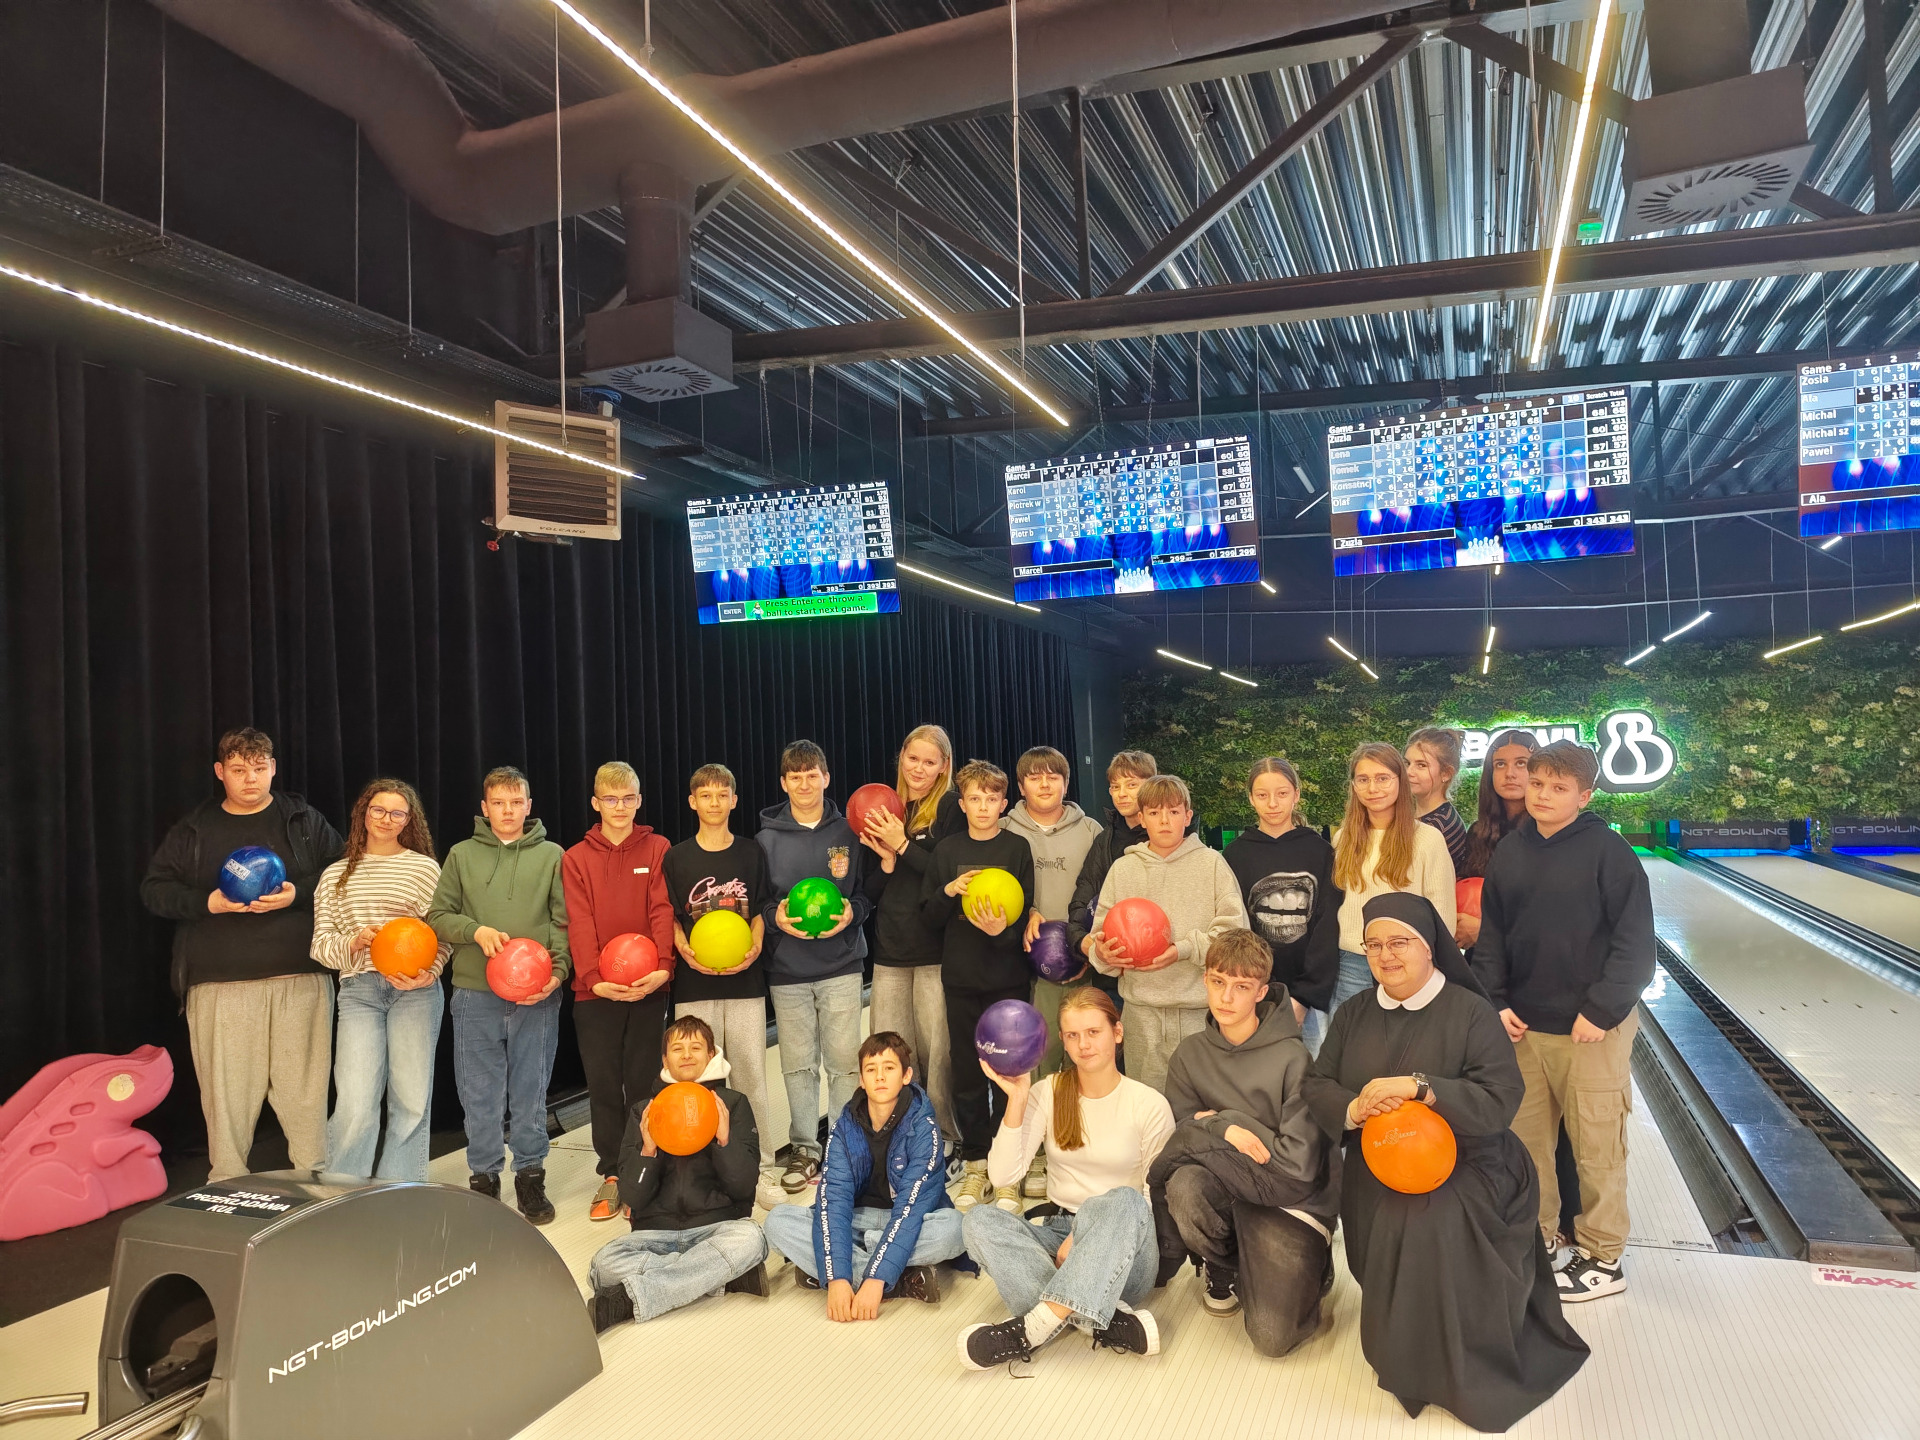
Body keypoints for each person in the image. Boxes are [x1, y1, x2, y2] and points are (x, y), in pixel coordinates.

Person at [1301, 894, 1589, 1432]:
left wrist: (1424, 1088)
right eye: (1374, 945)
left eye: (1399, 942)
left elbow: (1500, 1099)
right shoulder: (1355, 1013)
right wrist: (1353, 1109)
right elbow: (1317, 1083)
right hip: (1381, 1161)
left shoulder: (1470, 1012)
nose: (1386, 955)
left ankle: (1453, 1369)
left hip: (1472, 1160)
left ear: (1430, 946)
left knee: (1423, 1220)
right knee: (1385, 1209)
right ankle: (1403, 1358)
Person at [1474, 740, 1655, 1303]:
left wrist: (1600, 1011)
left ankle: (1603, 1256)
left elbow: (1635, 945)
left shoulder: (1609, 852)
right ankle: (1541, 1240)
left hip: (1590, 1030)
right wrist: (1495, 999)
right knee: (1528, 1148)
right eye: (1536, 784)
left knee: (1597, 1149)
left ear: (1585, 795)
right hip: (1525, 1029)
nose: (1543, 795)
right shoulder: (1511, 851)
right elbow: (1493, 935)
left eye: (1558, 788)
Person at [140, 728, 344, 1182]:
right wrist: (207, 902)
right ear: (220, 772)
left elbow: (344, 871)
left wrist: (297, 894)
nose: (250, 778)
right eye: (238, 769)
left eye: (259, 768)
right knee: (227, 1095)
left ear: (273, 768)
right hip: (220, 983)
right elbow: (154, 889)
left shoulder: (302, 819)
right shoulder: (194, 828)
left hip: (298, 977)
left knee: (305, 1092)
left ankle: (315, 1181)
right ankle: (227, 1182)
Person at [959, 987, 1174, 1369]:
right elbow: (1004, 1174)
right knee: (978, 1221)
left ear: (1117, 1032)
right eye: (1073, 1035)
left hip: (1125, 1247)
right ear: (1061, 1039)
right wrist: (1017, 1099)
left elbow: (1150, 1200)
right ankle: (1095, 1318)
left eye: (1093, 1032)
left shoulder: (1149, 1104)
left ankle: (1032, 1328)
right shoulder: (1048, 1092)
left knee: (1125, 1198)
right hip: (1058, 1231)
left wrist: (1086, 1236)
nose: (1083, 1044)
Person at [1151, 928, 1339, 1357]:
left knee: (1273, 1339)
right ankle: (1225, 1263)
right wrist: (1223, 1130)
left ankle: (1312, 1263)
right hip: (1226, 1186)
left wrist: (1224, 1121)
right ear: (1205, 979)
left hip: (1287, 1200)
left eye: (1241, 986)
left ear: (1261, 992)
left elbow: (1295, 1166)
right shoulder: (1189, 1056)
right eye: (1218, 981)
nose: (1226, 997)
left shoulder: (1294, 1058)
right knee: (1185, 1186)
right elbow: (1181, 1137)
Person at [427, 765, 570, 1224]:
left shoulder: (552, 855)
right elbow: (438, 916)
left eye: (516, 802)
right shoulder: (461, 855)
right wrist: (475, 930)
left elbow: (563, 921)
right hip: (475, 994)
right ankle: (484, 1178)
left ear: (529, 806)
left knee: (531, 1090)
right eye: (498, 803)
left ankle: (530, 1176)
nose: (507, 811)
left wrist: (558, 972)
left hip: (537, 995)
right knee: (479, 1093)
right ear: (484, 808)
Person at [585, 1016, 770, 1330]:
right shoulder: (643, 1110)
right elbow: (633, 1197)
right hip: (653, 1235)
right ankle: (722, 1277)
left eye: (696, 1048)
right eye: (677, 1049)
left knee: (751, 1238)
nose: (686, 1055)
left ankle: (629, 1300)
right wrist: (648, 1151)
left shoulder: (733, 1104)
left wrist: (724, 1141)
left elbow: (742, 1187)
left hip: (716, 1229)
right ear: (664, 1060)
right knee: (602, 1266)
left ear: (710, 1055)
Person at [764, 1031, 965, 1315]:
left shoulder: (924, 1128)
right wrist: (838, 1280)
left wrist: (870, 1278)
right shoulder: (844, 1127)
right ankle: (900, 1280)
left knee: (955, 1229)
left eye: (889, 1068)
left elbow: (911, 1210)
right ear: (861, 1079)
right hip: (857, 1220)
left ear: (906, 1076)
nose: (879, 1077)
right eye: (871, 1070)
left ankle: (845, 1268)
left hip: (909, 1219)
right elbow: (834, 1202)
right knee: (777, 1222)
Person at [312, 778, 448, 1182]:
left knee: (411, 1102)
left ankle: (399, 1192)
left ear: (409, 820)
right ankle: (342, 1193)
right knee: (355, 1104)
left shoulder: (424, 869)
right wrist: (354, 942)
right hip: (360, 991)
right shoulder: (335, 875)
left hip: (415, 992)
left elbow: (442, 934)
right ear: (363, 813)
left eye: (397, 813)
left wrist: (431, 971)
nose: (386, 819)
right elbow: (320, 945)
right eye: (379, 810)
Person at [757, 740, 872, 1195]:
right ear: (784, 783)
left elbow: (867, 893)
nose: (804, 784)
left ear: (826, 777)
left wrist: (852, 913)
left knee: (844, 1064)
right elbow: (760, 904)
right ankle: (805, 1148)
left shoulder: (850, 831)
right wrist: (776, 919)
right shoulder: (765, 840)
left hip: (842, 964)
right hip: (788, 969)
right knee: (798, 1065)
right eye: (795, 777)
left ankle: (842, 1145)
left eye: (812, 775)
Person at [564, 761, 677, 1223]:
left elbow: (662, 910)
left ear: (639, 801)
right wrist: (594, 977)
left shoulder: (658, 848)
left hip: (649, 987)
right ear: (596, 803)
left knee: (645, 1081)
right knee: (605, 1086)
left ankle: (644, 1168)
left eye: (628, 798)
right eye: (610, 799)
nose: (619, 807)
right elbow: (579, 919)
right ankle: (612, 1174)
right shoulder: (575, 858)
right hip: (596, 993)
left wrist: (663, 966)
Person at [921, 759, 1035, 1211]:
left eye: (991, 798)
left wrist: (1001, 933)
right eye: (974, 798)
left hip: (1008, 977)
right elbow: (928, 916)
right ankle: (976, 1164)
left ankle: (1008, 1170)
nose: (983, 806)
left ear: (1004, 804)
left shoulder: (1018, 848)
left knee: (1010, 1071)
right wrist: (949, 891)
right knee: (967, 1070)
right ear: (962, 803)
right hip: (962, 978)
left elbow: (1026, 915)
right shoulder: (947, 850)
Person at [661, 763, 776, 1205]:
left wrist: (755, 945)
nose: (714, 802)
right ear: (693, 802)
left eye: (722, 794)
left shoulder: (751, 852)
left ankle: (760, 1165)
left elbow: (761, 908)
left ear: (734, 800)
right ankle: (699, 1168)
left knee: (749, 1076)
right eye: (705, 795)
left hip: (745, 981)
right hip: (696, 984)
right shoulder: (677, 857)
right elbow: (671, 916)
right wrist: (682, 947)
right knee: (697, 1078)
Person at [1088, 775, 1248, 1093]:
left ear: (1187, 816)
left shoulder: (1212, 865)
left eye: (1173, 812)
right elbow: (1099, 938)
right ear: (1141, 817)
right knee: (1148, 1108)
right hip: (1141, 1016)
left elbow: (1235, 936)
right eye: (1154, 812)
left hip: (1200, 1013)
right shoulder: (1123, 870)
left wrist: (1184, 949)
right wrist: (1103, 954)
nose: (1164, 820)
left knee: (1204, 1106)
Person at [858, 725, 964, 1157]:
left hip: (936, 950)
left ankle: (945, 1138)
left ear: (943, 767)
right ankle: (902, 1136)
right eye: (913, 758)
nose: (919, 768)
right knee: (893, 1055)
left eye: (929, 761)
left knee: (938, 1055)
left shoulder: (951, 808)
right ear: (901, 757)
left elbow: (945, 876)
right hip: (890, 951)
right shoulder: (886, 807)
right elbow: (870, 890)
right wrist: (886, 861)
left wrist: (902, 845)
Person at [1003, 744, 1104, 1199]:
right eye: (1034, 777)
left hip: (1082, 960)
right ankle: (1039, 1151)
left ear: (1066, 782)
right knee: (1039, 1056)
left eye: (1053, 776)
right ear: (1021, 785)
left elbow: (1105, 893)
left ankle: (1077, 1145)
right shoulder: (1005, 829)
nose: (1044, 784)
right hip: (1024, 964)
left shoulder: (1091, 830)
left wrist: (1085, 945)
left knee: (1083, 1054)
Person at [1222, 757, 1340, 1057]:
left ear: (1296, 795)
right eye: (1262, 795)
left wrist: (1305, 996)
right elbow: (1235, 930)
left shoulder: (1321, 852)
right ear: (1251, 798)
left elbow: (1327, 927)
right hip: (1252, 993)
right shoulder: (1234, 855)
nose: (1272, 803)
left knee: (1310, 1072)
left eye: (1282, 793)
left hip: (1310, 999)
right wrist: (1248, 986)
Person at [1330, 744, 1455, 1015]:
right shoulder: (1343, 839)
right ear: (1353, 786)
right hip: (1351, 963)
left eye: (1383, 778)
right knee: (1352, 1038)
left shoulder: (1427, 839)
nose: (1373, 788)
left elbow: (1442, 914)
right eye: (1363, 779)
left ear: (1400, 780)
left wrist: (1433, 966)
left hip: (1406, 961)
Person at [1067, 749, 1160, 1017]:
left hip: (1156, 976)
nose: (1122, 794)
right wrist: (1081, 942)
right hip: (1110, 978)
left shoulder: (1169, 839)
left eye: (1131, 785)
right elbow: (1083, 895)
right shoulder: (1104, 839)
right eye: (1115, 786)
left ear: (1151, 785)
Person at [1458, 728, 1539, 950]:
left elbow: (1554, 916)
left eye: (1521, 763)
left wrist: (1485, 931)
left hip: (1530, 960)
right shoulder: (1478, 833)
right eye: (1500, 764)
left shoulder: (1547, 833)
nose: (1510, 773)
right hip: (1481, 961)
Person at [1405, 726, 1470, 874]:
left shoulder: (1439, 825)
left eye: (1421, 765)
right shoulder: (1420, 814)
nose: (1409, 772)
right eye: (1408, 763)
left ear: (1446, 773)